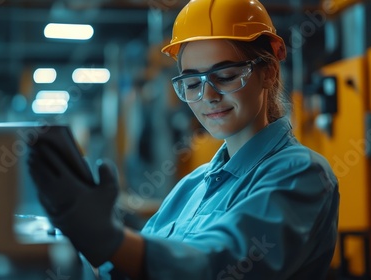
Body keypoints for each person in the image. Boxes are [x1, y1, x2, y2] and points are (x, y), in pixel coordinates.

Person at [27, 0, 340, 279]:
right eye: (192, 83)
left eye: (226, 76)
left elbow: (218, 266)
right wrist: (83, 242)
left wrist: (110, 239)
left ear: (269, 72)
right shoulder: (191, 186)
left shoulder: (303, 175)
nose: (209, 96)